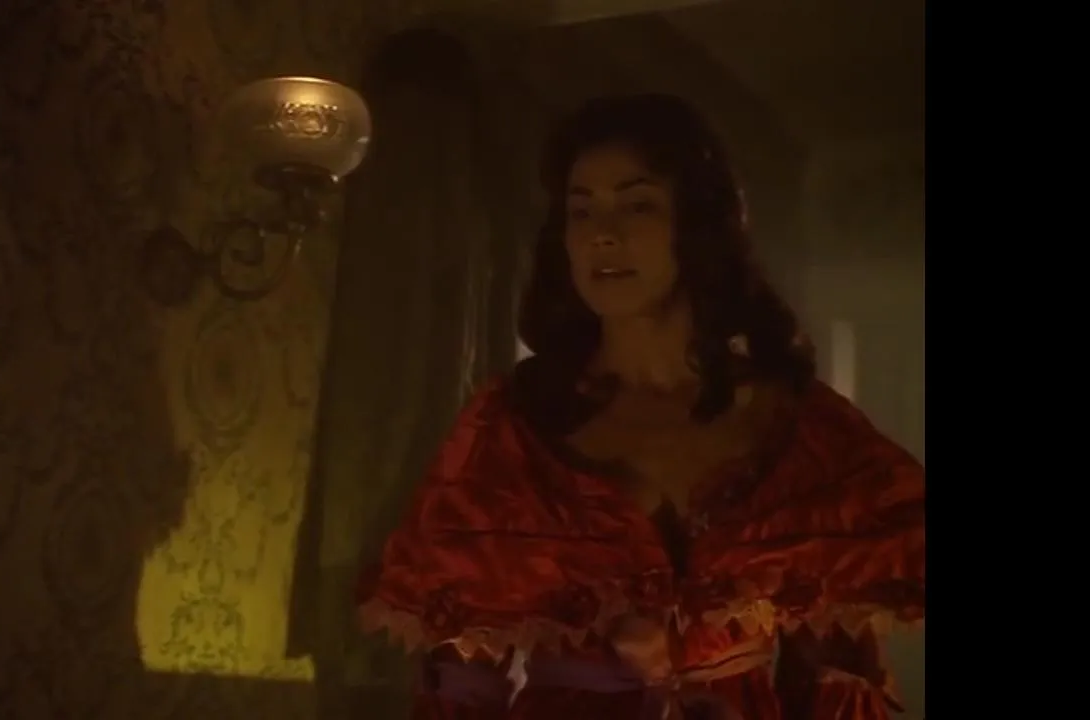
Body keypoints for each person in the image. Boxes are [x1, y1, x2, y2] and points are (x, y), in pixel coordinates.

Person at [356, 93, 925, 720]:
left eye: (637, 204)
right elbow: (459, 682)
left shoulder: (795, 427)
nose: (603, 234)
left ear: (696, 226)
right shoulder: (512, 427)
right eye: (581, 210)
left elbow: (839, 666)